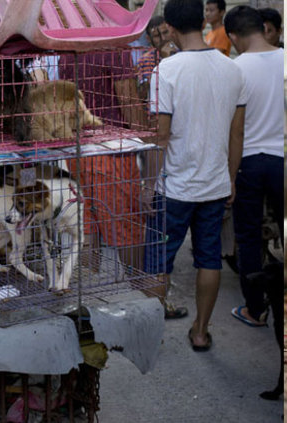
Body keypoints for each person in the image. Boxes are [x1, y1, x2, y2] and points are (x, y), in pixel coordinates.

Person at [144, 0, 245, 351]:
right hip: (215, 183)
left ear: (170, 28)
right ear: (203, 21)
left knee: (159, 259)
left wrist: (148, 184)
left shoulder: (166, 71)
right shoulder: (232, 69)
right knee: (208, 257)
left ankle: (152, 333)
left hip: (173, 186)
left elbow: (161, 135)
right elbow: (237, 134)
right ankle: (201, 331)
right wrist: (230, 178)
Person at [224, 5, 284, 400]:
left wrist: (229, 179)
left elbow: (236, 129)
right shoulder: (284, 58)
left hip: (249, 162)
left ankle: (255, 309)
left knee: (247, 237)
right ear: (264, 27)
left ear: (232, 36)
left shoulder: (235, 69)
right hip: (282, 160)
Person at [136, 16, 177, 100]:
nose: (163, 38)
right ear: (148, 39)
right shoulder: (144, 61)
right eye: (157, 36)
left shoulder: (181, 55)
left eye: (165, 32)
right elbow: (140, 96)